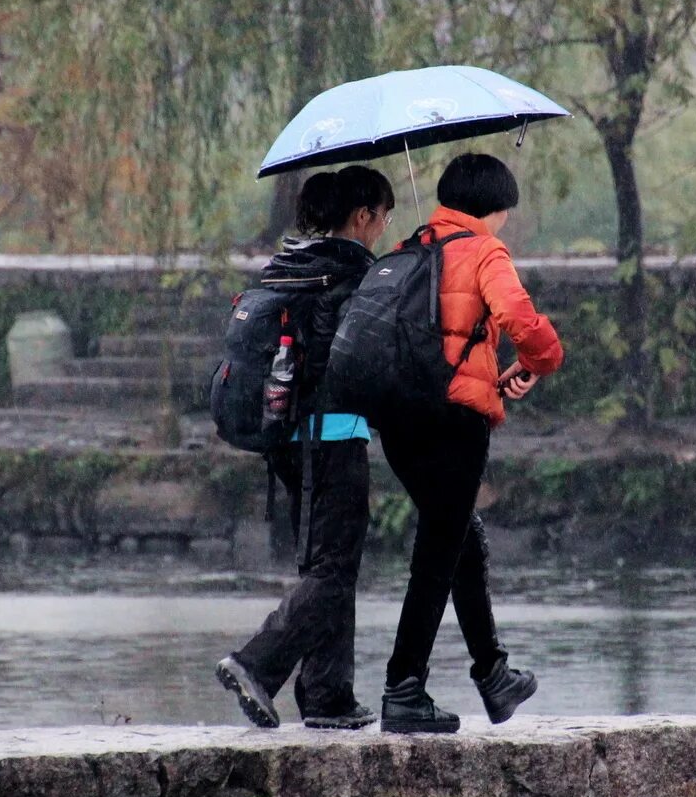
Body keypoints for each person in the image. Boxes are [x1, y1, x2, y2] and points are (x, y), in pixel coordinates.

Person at [377, 152, 564, 734]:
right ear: (493, 206)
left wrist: (494, 367)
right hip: (453, 423)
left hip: (399, 420)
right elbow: (519, 317)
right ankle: (403, 687)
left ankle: (493, 674)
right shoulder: (484, 250)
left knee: (460, 539)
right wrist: (542, 360)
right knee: (438, 553)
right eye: (505, 209)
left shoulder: (411, 248)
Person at [215, 165, 395, 730]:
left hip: (287, 440)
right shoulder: (355, 276)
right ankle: (255, 663)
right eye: (383, 218)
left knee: (326, 566)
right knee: (335, 569)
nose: (384, 230)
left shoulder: (289, 267)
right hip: (335, 438)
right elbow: (364, 362)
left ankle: (326, 696)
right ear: (362, 215)